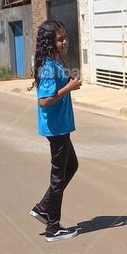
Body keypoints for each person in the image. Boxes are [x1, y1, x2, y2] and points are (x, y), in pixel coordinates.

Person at [30, 19, 82, 242]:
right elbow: (44, 101)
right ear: (49, 42)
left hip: (61, 126)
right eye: (59, 39)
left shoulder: (53, 62)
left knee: (72, 166)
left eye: (65, 38)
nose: (64, 42)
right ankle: (53, 227)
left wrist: (68, 82)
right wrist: (69, 87)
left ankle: (43, 207)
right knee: (58, 177)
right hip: (57, 128)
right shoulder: (49, 67)